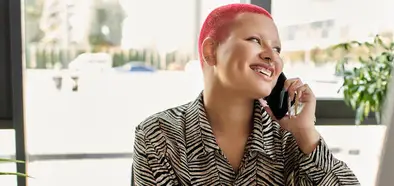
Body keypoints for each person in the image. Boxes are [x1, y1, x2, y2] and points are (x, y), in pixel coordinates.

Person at [132, 3, 360, 186]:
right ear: (211, 51)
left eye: (277, 49)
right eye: (255, 40)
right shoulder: (158, 135)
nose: (273, 57)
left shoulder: (290, 139)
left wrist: (306, 134)